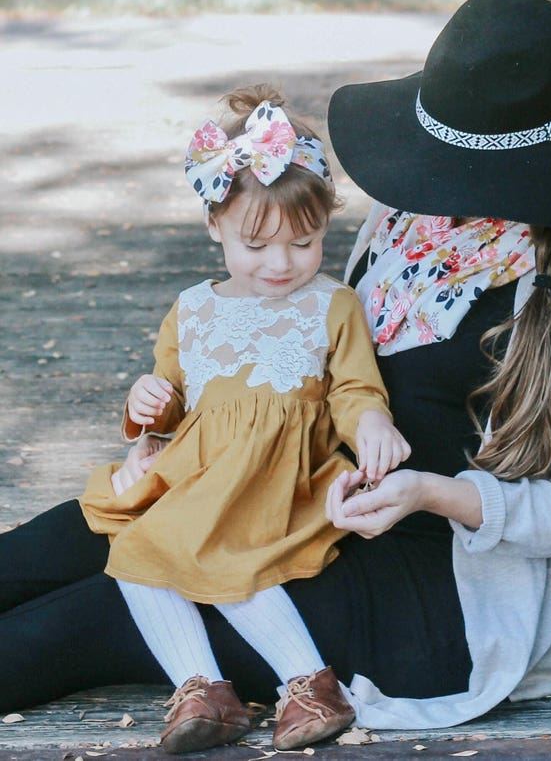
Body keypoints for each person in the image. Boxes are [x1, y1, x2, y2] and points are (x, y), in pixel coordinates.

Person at [0, 0, 551, 751]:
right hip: (295, 491)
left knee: (91, 614)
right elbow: (308, 360)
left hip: (433, 594)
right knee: (49, 547)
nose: (448, 195)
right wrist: (178, 434)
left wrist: (432, 493)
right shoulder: (422, 194)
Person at [80, 84, 410, 753]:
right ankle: (203, 689)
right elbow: (170, 394)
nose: (283, 264)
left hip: (283, 477)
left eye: (304, 242)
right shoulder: (193, 309)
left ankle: (310, 685)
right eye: (256, 246)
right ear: (215, 228)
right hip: (204, 471)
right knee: (138, 551)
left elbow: (352, 387)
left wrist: (371, 423)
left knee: (225, 542)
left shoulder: (332, 305)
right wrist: (148, 414)